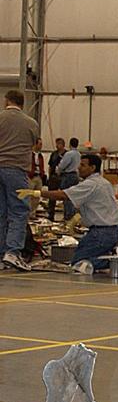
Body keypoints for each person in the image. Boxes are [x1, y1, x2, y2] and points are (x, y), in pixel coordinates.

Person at [29, 152, 118, 273]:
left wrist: (38, 193)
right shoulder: (104, 182)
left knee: (78, 262)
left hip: (101, 233)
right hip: (113, 230)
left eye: (83, 165)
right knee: (82, 253)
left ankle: (115, 261)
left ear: (92, 168)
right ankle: (109, 254)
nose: (78, 168)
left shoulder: (90, 184)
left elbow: (63, 195)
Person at [0, 88, 39, 271]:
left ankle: (1, 254)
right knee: (18, 212)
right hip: (16, 170)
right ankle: (13, 252)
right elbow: (34, 144)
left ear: (7, 101)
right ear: (22, 103)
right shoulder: (31, 123)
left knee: (1, 212)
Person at [56, 136, 81, 220]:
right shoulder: (79, 154)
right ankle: (72, 215)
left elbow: (63, 165)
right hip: (75, 176)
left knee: (66, 196)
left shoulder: (69, 154)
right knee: (73, 196)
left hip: (68, 176)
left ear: (69, 144)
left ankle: (68, 216)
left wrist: (58, 171)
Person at [46, 137, 65, 222]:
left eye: (59, 144)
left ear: (63, 145)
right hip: (53, 177)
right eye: (57, 144)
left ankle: (66, 215)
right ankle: (50, 214)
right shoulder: (53, 154)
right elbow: (50, 165)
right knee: (52, 196)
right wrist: (49, 176)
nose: (57, 145)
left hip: (63, 177)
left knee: (64, 196)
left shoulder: (67, 154)